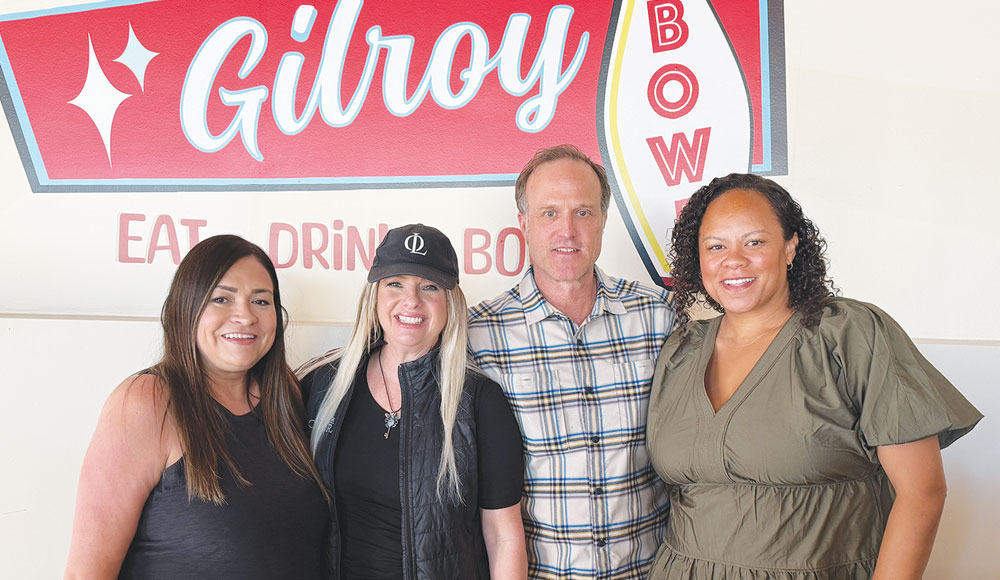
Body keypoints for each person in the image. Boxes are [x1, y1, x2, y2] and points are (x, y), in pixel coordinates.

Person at [646, 173, 983, 579]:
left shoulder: (852, 334)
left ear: (790, 247)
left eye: (754, 242)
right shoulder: (680, 351)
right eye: (715, 246)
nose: (733, 260)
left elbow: (922, 493)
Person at [64, 235, 328, 580]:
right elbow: (87, 573)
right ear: (187, 307)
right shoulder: (148, 401)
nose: (245, 316)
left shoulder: (286, 395)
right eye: (222, 298)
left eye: (261, 301)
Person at [468, 145, 675, 579]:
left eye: (582, 212)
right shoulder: (477, 335)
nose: (567, 231)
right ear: (523, 224)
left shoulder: (659, 316)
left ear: (603, 220)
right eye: (549, 214)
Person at [299, 223, 526, 580]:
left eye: (429, 287)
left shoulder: (479, 401)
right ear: (374, 295)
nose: (411, 301)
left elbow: (504, 536)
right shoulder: (322, 385)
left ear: (450, 302)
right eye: (395, 284)